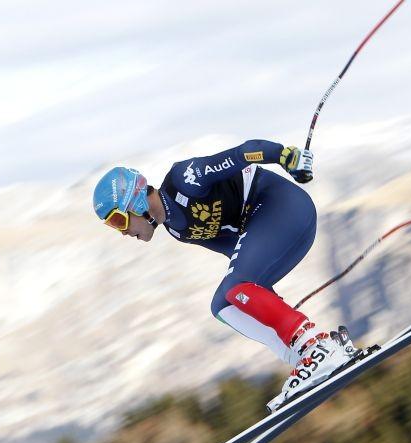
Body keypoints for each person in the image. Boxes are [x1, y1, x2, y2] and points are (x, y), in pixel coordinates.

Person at [91, 139, 359, 411]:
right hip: (280, 228)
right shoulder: (177, 229)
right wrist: (263, 302)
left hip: (283, 207)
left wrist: (286, 157)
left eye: (118, 220)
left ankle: (315, 347)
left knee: (235, 286)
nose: (123, 232)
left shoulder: (183, 179)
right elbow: (241, 258)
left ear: (135, 202)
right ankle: (307, 359)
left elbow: (243, 153)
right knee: (224, 305)